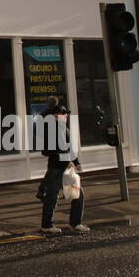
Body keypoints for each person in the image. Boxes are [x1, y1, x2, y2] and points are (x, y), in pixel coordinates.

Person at [36, 97, 89, 235]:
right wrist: (69, 160)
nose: (66, 116)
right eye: (64, 114)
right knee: (52, 197)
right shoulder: (49, 130)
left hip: (65, 168)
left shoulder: (62, 128)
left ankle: (75, 223)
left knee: (78, 195)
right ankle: (47, 225)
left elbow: (68, 146)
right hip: (56, 168)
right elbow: (51, 151)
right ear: (55, 115)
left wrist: (76, 162)